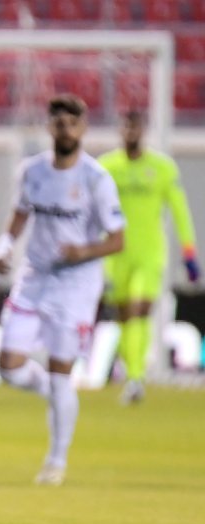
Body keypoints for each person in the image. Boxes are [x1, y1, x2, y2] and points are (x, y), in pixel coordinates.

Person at [0, 94, 125, 487]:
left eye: (72, 123)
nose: (65, 130)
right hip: (34, 277)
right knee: (9, 366)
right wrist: (4, 245)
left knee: (62, 370)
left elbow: (118, 239)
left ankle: (56, 460)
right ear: (50, 126)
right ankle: (52, 391)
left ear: (83, 128)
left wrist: (84, 251)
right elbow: (19, 215)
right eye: (59, 123)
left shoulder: (96, 180)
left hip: (76, 286)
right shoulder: (32, 171)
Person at [98, 110, 200, 405]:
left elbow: (180, 210)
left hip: (149, 252)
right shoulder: (106, 167)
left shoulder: (162, 168)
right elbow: (91, 212)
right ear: (120, 131)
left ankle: (136, 378)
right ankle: (132, 370)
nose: (131, 133)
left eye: (135, 127)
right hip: (115, 255)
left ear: (143, 130)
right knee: (123, 317)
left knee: (140, 309)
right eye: (126, 127)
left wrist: (189, 252)